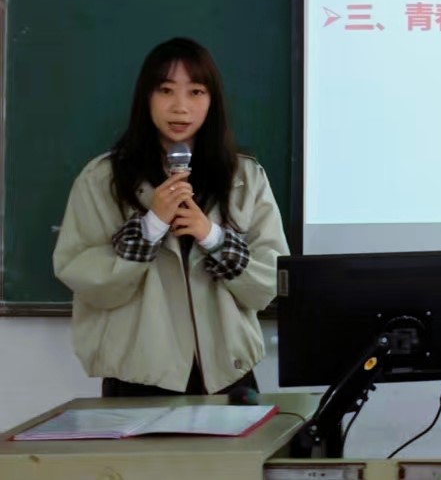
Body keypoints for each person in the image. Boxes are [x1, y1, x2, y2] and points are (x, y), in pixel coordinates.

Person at [53, 37, 289, 397]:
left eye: (196, 92)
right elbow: (82, 276)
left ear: (212, 101)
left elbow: (271, 281)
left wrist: (213, 237)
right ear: (146, 97)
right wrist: (150, 227)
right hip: (138, 377)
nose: (180, 107)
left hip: (228, 377)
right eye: (166, 90)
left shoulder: (244, 178)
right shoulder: (103, 179)